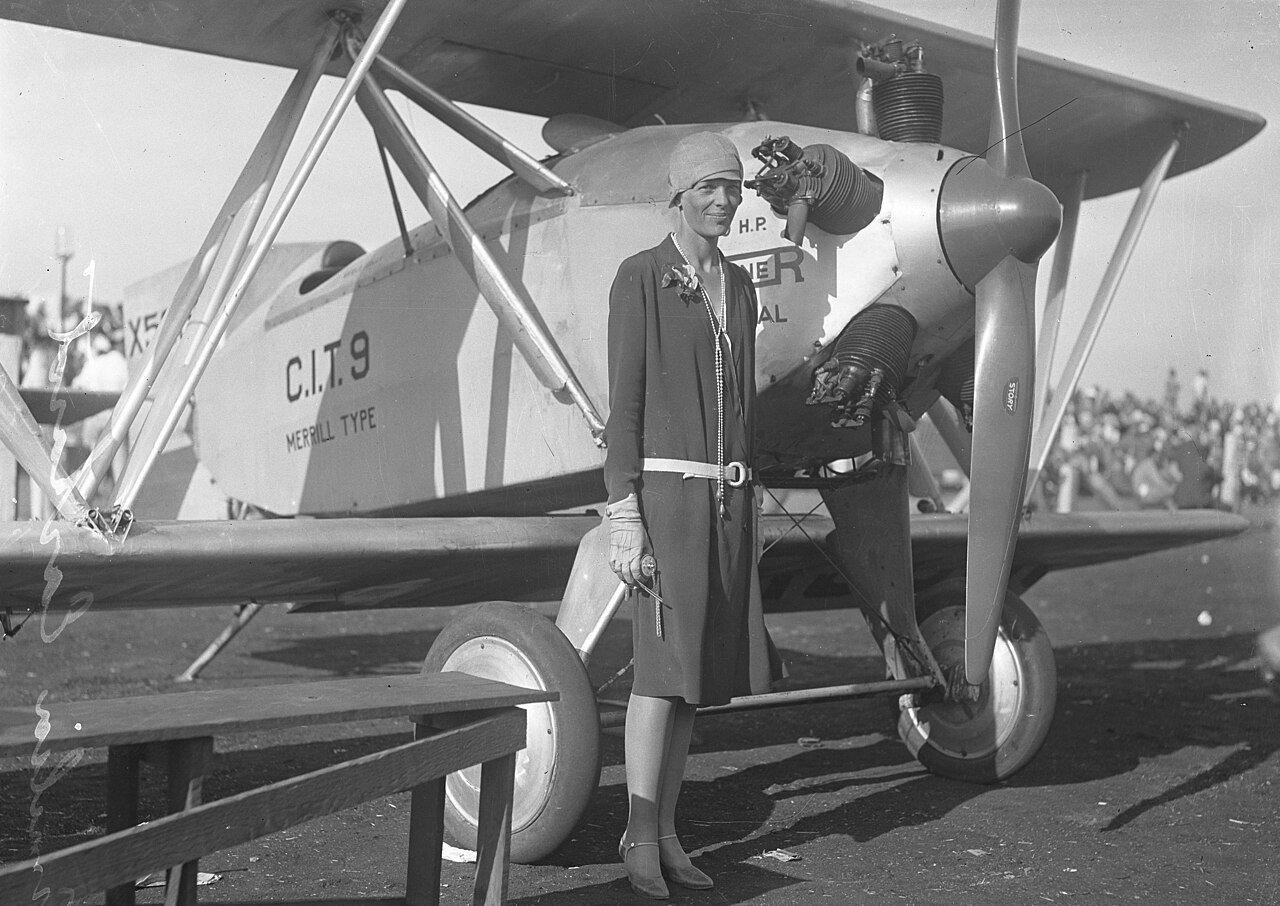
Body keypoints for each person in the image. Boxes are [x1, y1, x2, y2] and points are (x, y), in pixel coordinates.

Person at [604, 131, 782, 899]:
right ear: (678, 195)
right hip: (667, 501)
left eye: (732, 187)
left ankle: (668, 832)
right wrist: (624, 514)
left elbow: (742, 408)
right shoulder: (641, 276)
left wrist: (751, 502)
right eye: (708, 187)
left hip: (728, 504)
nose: (723, 199)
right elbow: (624, 407)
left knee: (692, 682)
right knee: (658, 675)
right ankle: (638, 834)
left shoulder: (738, 286)